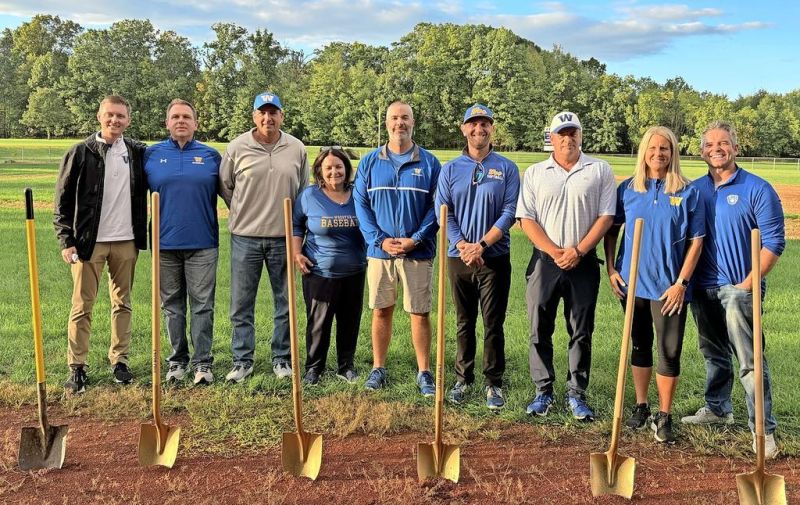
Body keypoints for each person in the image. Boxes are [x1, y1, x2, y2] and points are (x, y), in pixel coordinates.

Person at [681, 120, 785, 459]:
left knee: (749, 362)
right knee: (713, 355)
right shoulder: (695, 189)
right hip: (702, 288)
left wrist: (749, 283)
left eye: (723, 143)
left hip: (739, 289)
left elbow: (773, 242)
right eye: (709, 145)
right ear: (701, 152)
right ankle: (718, 409)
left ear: (735, 148)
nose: (716, 149)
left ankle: (763, 430)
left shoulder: (757, 188)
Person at [603, 126, 705, 443]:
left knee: (669, 350)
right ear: (643, 152)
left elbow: (697, 241)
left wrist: (681, 283)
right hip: (632, 285)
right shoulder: (628, 190)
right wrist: (611, 269)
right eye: (652, 148)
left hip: (669, 288)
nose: (658, 154)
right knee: (639, 344)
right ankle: (641, 406)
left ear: (673, 153)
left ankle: (664, 415)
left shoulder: (688, 192)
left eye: (665, 148)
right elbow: (611, 230)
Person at [516, 111, 616, 421]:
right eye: (562, 132)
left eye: (573, 132)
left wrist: (579, 250)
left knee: (581, 331)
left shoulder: (599, 170)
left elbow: (606, 217)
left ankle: (577, 393)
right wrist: (554, 250)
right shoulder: (535, 172)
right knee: (538, 328)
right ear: (552, 137)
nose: (567, 138)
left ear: (580, 136)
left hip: (583, 263)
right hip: (545, 263)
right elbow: (526, 219)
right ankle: (543, 390)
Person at [54, 95, 147, 394]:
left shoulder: (136, 152)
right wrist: (66, 240)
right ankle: (77, 367)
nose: (114, 120)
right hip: (87, 243)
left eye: (120, 116)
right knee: (82, 305)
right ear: (99, 116)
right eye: (109, 115)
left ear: (128, 120)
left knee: (123, 303)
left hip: (126, 241)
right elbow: (63, 201)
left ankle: (119, 361)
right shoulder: (80, 152)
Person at [219, 91, 309, 383]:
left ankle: (282, 358)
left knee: (285, 302)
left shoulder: (296, 148)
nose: (268, 118)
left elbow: (303, 192)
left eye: (274, 112)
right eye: (262, 112)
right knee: (242, 303)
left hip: (283, 238)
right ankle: (242, 360)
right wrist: (244, 211)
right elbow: (226, 186)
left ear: (282, 116)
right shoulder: (237, 147)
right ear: (254, 116)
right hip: (245, 237)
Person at [353, 100, 441, 397]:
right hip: (380, 252)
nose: (399, 123)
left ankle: (424, 371)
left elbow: (437, 207)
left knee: (419, 312)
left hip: (417, 251)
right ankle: (378, 367)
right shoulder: (369, 162)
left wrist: (416, 238)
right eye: (394, 118)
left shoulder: (429, 163)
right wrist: (378, 240)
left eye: (405, 118)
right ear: (387, 122)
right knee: (381, 310)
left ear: (413, 122)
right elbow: (361, 205)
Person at [435, 104, 519, 410]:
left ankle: (493, 382)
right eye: (473, 124)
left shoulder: (506, 168)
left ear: (492, 128)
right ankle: (462, 378)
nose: (478, 129)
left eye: (484, 124)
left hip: (494, 257)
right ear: (464, 128)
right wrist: (463, 246)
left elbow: (510, 212)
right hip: (459, 258)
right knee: (463, 321)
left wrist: (481, 245)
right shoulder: (450, 169)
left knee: (493, 323)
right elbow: (444, 212)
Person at [144, 99, 222, 385]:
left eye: (187, 117)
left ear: (196, 123)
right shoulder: (151, 155)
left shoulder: (211, 156)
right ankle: (177, 362)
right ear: (167, 123)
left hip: (203, 244)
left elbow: (235, 196)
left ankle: (203, 363)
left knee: (202, 305)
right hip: (164, 245)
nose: (181, 121)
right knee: (171, 306)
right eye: (175, 116)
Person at [292, 147, 366, 385]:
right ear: (320, 172)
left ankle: (346, 366)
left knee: (350, 320)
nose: (334, 171)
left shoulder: (359, 194)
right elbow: (296, 226)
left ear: (346, 169)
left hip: (354, 271)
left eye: (339, 166)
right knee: (318, 323)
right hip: (319, 271)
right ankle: (314, 368)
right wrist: (296, 253)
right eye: (328, 168)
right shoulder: (309, 196)